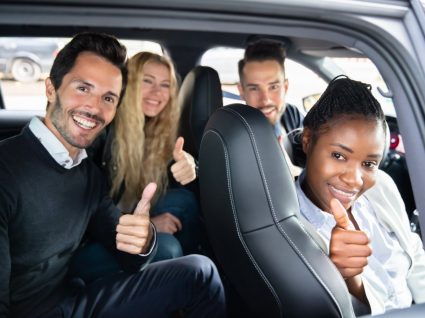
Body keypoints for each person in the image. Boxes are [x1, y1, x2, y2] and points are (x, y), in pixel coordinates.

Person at [0, 32, 226, 318]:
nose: (95, 107)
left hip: (74, 296)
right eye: (83, 88)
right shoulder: (7, 170)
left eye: (108, 97)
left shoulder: (86, 174)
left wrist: (143, 240)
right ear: (50, 89)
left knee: (200, 272)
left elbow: (127, 252)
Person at [296, 75, 425, 315]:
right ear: (307, 141)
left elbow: (415, 256)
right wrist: (350, 280)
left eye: (368, 163)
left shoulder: (382, 186)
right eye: (339, 156)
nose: (355, 180)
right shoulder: (294, 230)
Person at [89, 51, 203, 262]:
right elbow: (90, 211)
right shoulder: (104, 131)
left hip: (123, 221)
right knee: (168, 248)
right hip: (91, 240)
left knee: (184, 201)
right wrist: (148, 226)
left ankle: (189, 275)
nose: (156, 92)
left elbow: (177, 174)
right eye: (147, 81)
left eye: (165, 85)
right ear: (129, 84)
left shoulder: (154, 130)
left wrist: (191, 166)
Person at [237, 38, 303, 176]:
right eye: (254, 88)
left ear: (285, 87)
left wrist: (297, 172)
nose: (266, 99)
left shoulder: (291, 115)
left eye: (273, 87)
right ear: (242, 91)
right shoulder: (235, 136)